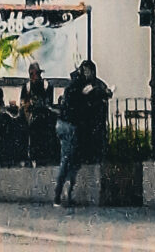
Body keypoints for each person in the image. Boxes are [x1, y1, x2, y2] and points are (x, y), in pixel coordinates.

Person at [53, 61, 110, 211]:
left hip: (63, 123)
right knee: (70, 160)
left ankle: (62, 193)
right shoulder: (83, 85)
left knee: (69, 158)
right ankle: (61, 193)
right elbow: (93, 94)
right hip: (71, 125)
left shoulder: (72, 84)